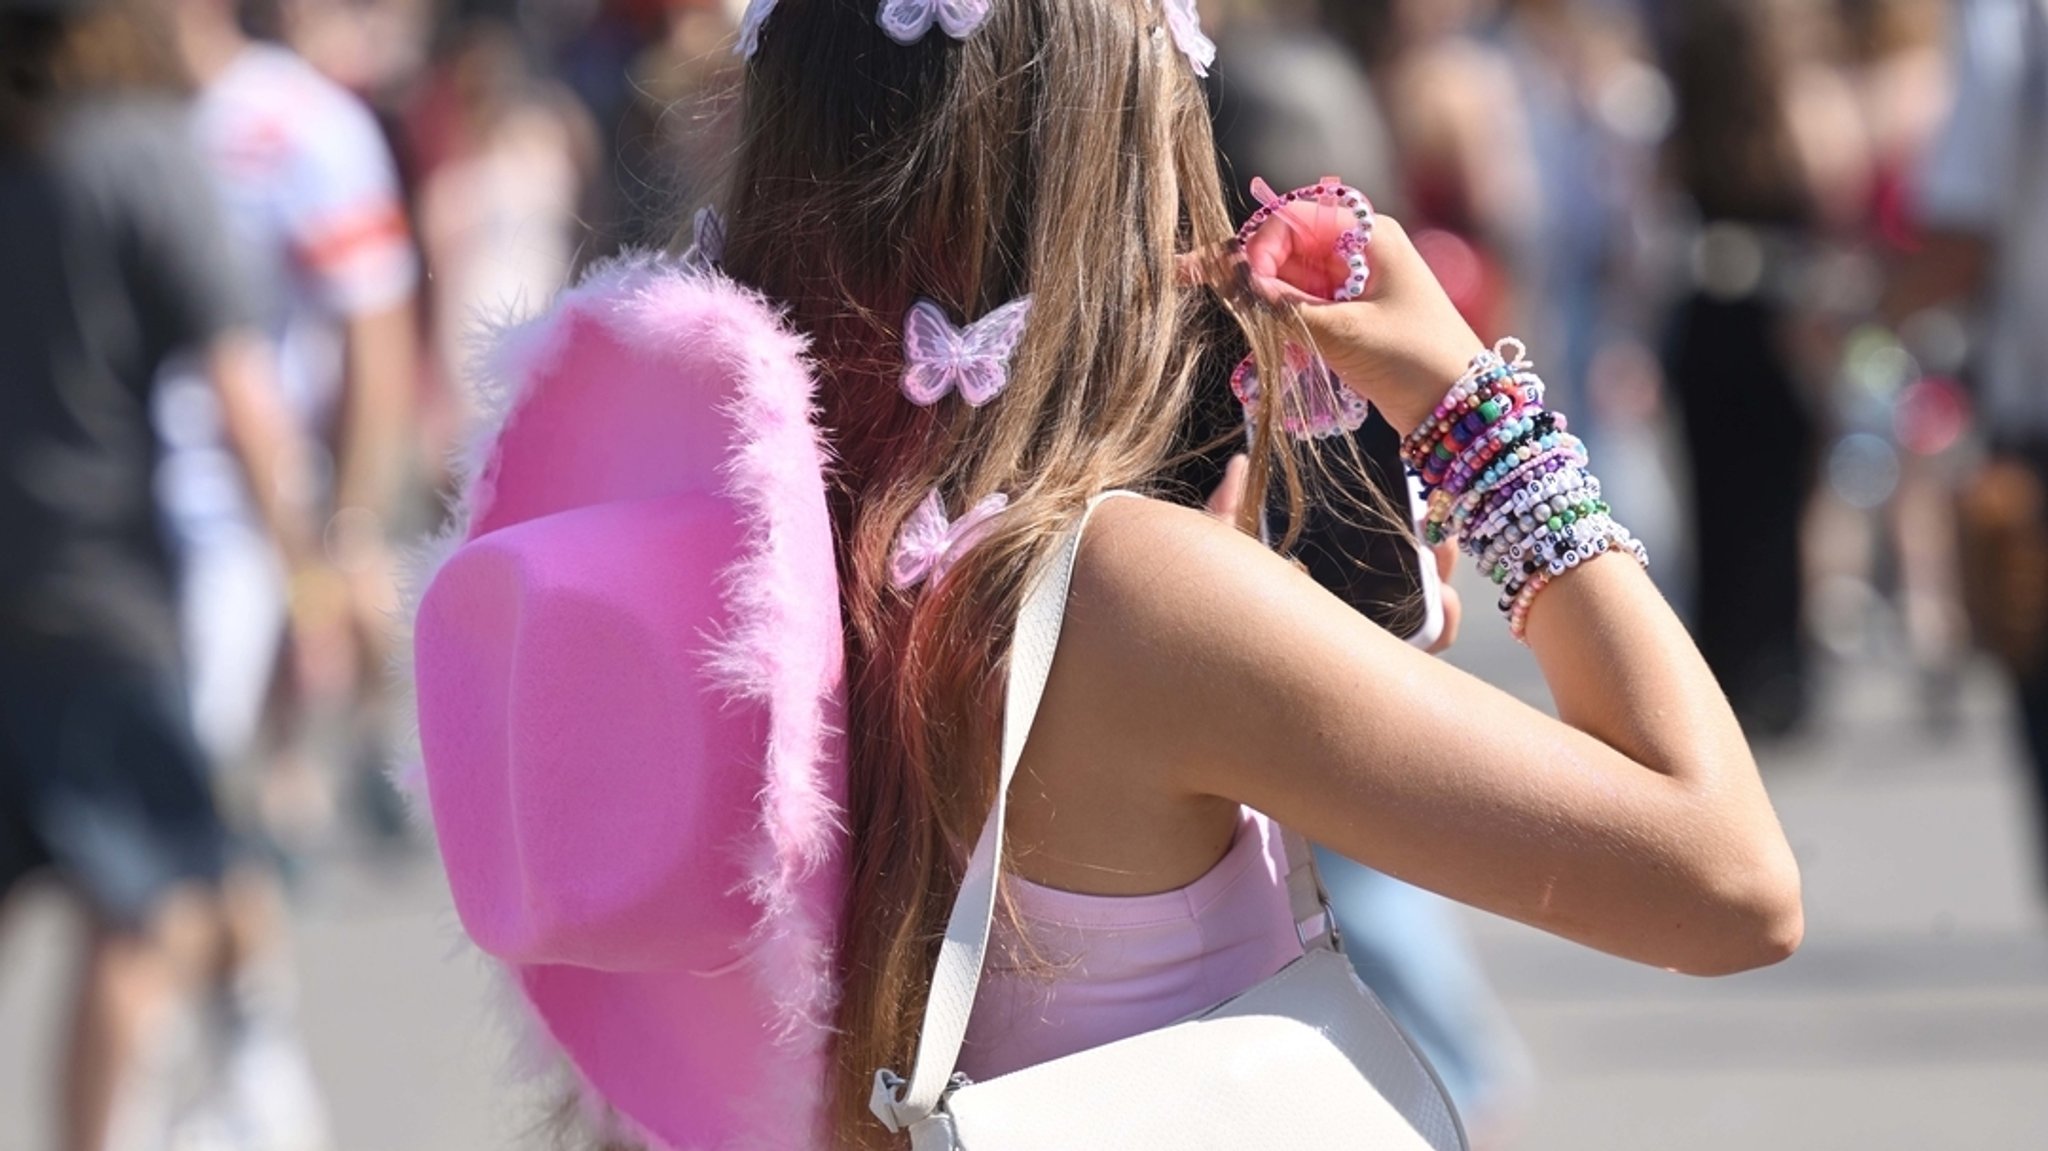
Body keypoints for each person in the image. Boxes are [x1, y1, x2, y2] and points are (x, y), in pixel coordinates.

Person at [406, 3, 1802, 1149]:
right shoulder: (1134, 596)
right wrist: (1471, 404)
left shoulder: (722, 543)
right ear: (1117, 166)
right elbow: (1730, 882)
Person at [0, 0, 336, 1147]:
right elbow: (247, 399)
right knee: (153, 902)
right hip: (93, 586)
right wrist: (311, 575)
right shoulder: (140, 153)